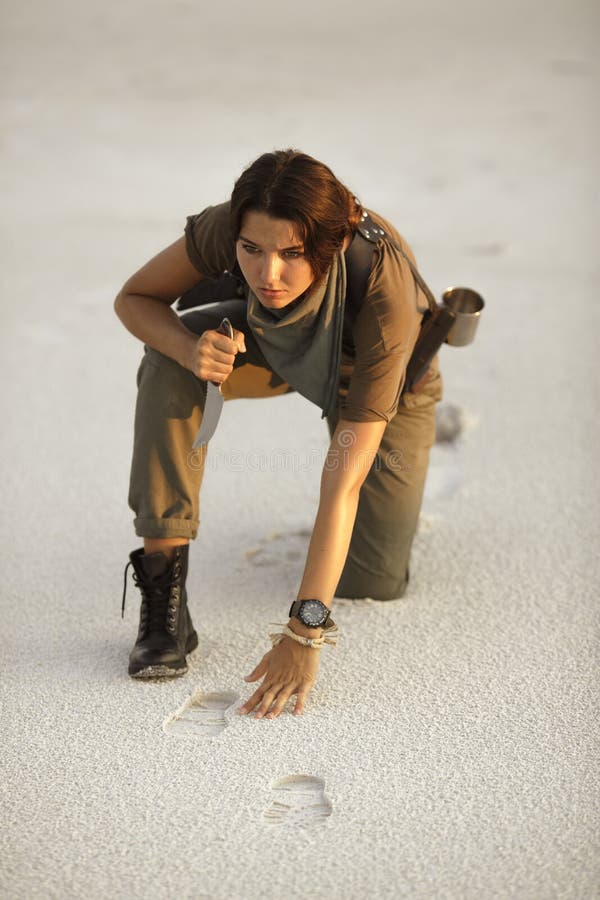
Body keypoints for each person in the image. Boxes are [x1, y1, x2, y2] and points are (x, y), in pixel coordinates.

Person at [114, 149, 442, 719]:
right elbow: (135, 298)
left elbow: (341, 483)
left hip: (375, 375)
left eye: (292, 253)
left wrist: (305, 629)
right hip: (273, 343)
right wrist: (193, 350)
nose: (268, 274)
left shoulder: (384, 293)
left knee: (373, 581)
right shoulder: (236, 221)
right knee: (169, 361)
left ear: (332, 244)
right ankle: (165, 584)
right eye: (252, 250)